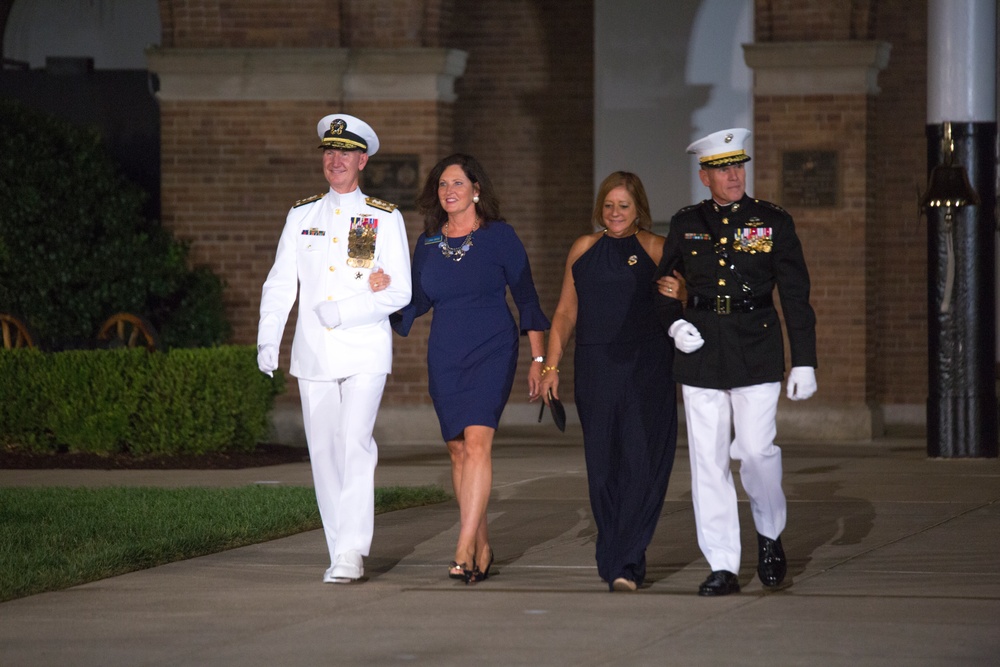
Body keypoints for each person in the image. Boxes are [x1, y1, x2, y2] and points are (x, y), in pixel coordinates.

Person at [654, 128, 818, 596]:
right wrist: (674, 324)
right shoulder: (686, 222)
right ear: (704, 176)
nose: (733, 175)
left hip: (756, 344)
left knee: (755, 450)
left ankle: (769, 532)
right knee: (708, 461)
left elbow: (795, 293)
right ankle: (722, 563)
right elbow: (664, 283)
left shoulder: (771, 220)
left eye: (738, 166)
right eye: (723, 169)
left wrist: (804, 360)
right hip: (702, 349)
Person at [377, 153, 549, 585]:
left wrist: (541, 360)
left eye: (457, 183)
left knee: (477, 443)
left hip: (492, 347)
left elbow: (527, 298)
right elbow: (417, 302)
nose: (448, 191)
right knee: (457, 449)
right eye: (442, 185)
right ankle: (482, 545)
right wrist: (382, 294)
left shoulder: (500, 237)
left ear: (476, 189)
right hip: (446, 352)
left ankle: (461, 545)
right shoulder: (429, 243)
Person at [256, 113, 412, 584]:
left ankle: (351, 551)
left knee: (355, 444)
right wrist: (269, 338)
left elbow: (398, 291)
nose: (335, 160)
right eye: (329, 151)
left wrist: (343, 311)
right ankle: (338, 548)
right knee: (324, 451)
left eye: (345, 152)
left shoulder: (384, 217)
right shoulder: (301, 215)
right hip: (314, 353)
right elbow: (281, 283)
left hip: (363, 348)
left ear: (362, 160)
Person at [538, 171, 678, 593]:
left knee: (640, 464)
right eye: (609, 205)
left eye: (624, 206)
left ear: (639, 210)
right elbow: (565, 312)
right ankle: (614, 549)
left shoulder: (656, 248)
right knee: (602, 469)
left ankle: (627, 562)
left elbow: (684, 296)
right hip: (595, 370)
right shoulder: (584, 248)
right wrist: (551, 365)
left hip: (646, 369)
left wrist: (682, 292)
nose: (615, 213)